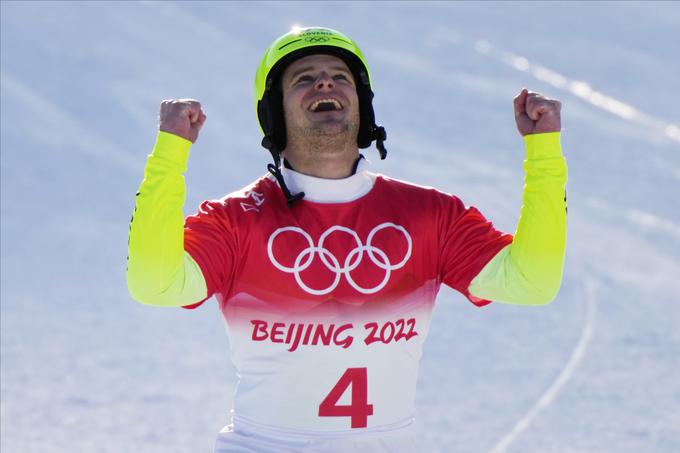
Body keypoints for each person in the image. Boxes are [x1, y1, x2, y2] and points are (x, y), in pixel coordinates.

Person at [126, 26, 567, 453]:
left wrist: (544, 150)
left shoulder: (429, 213)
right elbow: (155, 283)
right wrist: (170, 152)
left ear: (363, 106)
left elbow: (531, 281)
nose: (324, 82)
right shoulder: (236, 220)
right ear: (275, 113)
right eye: (303, 79)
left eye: (340, 77)